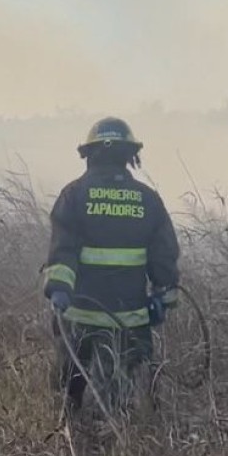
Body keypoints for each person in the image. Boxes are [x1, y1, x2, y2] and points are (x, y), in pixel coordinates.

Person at [43, 117, 180, 411]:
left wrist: (59, 289)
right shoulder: (148, 200)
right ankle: (114, 447)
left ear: (89, 155)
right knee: (117, 400)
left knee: (69, 394)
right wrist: (161, 300)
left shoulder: (74, 196)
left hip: (78, 319)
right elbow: (164, 259)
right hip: (129, 323)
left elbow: (63, 250)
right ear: (129, 156)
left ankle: (71, 443)